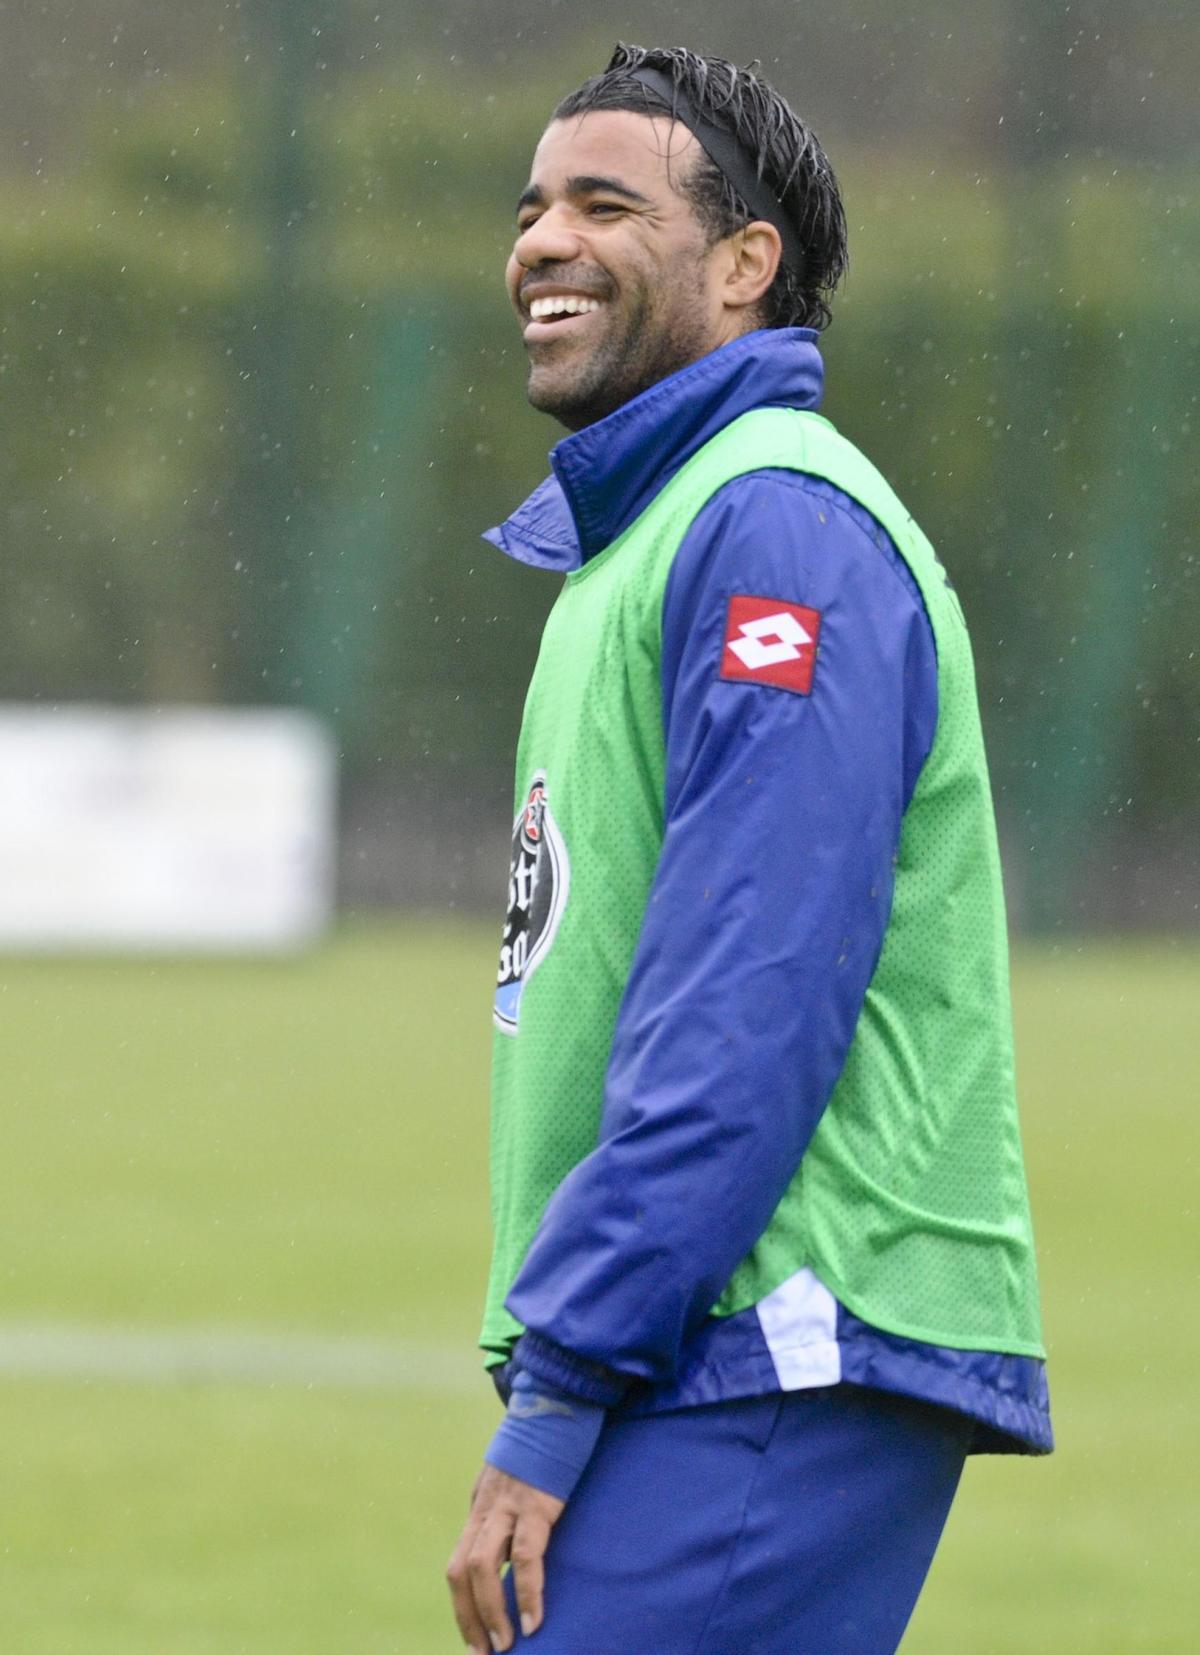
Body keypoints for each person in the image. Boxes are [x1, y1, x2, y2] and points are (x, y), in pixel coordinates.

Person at [446, 43, 1052, 1655]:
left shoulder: (773, 522)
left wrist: (564, 1379)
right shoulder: (647, 537)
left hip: (772, 1335)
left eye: (601, 202)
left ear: (742, 263)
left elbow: (746, 997)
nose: (541, 242)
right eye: (530, 208)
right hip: (713, 1341)